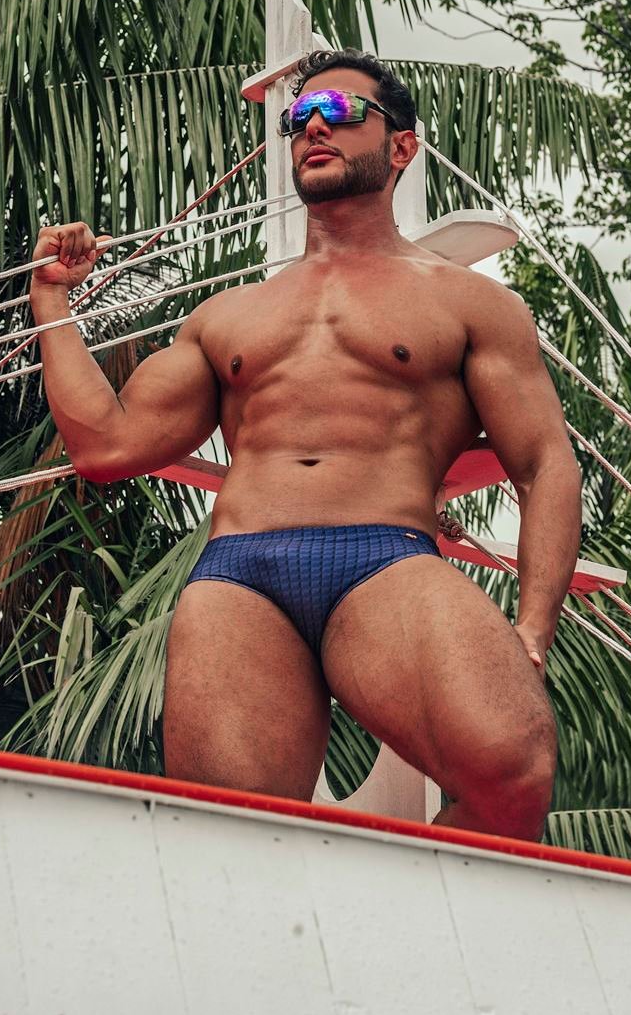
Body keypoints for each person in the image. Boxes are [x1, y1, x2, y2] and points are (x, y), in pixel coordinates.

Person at [29, 49, 582, 842]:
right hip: (240, 577)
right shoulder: (229, 315)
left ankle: (422, 913)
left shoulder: (471, 304)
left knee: (512, 767)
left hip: (385, 559)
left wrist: (532, 628)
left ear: (401, 145)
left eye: (341, 112)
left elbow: (545, 464)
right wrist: (52, 300)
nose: (314, 127)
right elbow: (105, 446)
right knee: (231, 840)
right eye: (298, 118)